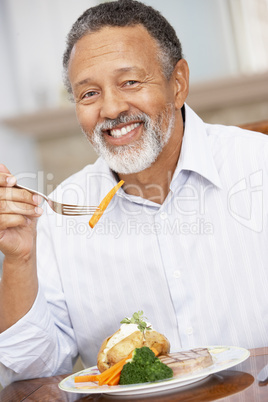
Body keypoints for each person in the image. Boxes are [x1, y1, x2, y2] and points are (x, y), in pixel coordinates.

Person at [0, 0, 267, 387]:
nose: (111, 108)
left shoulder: (259, 165)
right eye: (89, 93)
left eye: (130, 82)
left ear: (177, 83)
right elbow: (32, 373)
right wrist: (19, 259)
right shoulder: (58, 214)